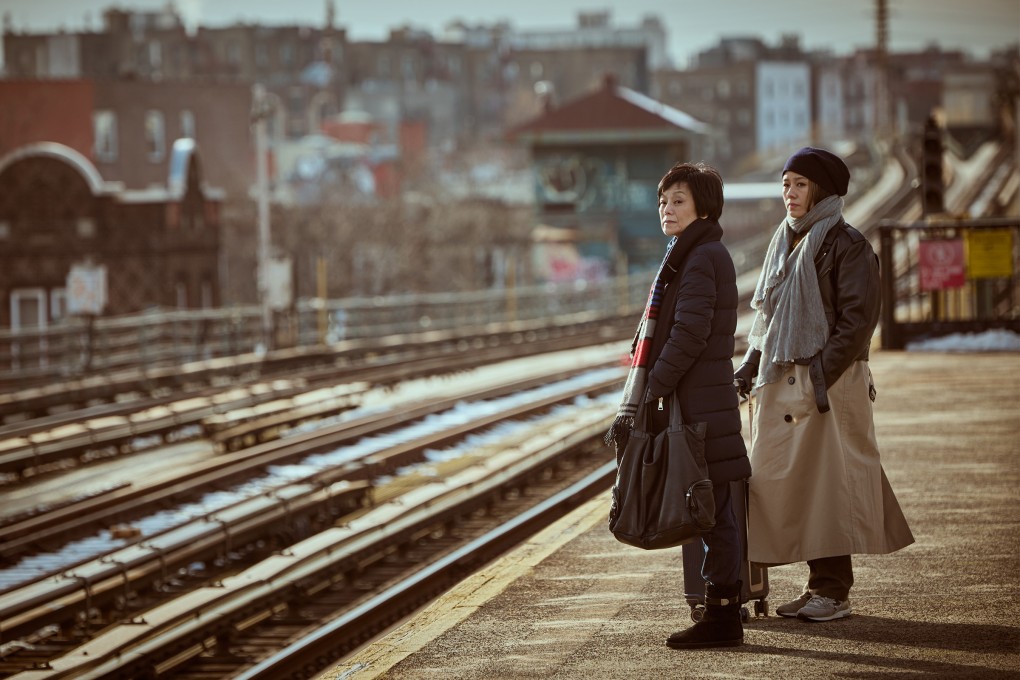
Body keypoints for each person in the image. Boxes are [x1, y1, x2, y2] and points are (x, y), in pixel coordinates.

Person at [734, 146, 915, 623]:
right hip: (785, 380)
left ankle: (833, 592)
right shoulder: (787, 240)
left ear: (823, 191)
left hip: (826, 385)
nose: (789, 194)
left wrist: (819, 376)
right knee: (785, 487)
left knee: (830, 489)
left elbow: (857, 321)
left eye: (799, 184)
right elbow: (772, 319)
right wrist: (752, 362)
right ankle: (819, 587)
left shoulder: (847, 244)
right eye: (785, 184)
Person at [606, 161, 751, 649]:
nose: (666, 209)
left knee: (713, 509)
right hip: (699, 401)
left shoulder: (701, 257)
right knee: (709, 507)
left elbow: (689, 333)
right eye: (663, 201)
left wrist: (653, 389)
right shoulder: (687, 255)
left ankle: (723, 616)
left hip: (701, 406)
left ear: (703, 207)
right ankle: (721, 611)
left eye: (678, 201)